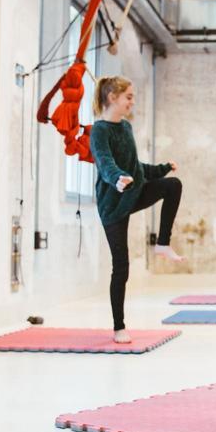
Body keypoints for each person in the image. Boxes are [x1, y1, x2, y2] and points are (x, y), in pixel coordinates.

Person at [90, 75, 184, 344]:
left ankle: (163, 244)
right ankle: (119, 326)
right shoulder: (99, 130)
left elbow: (136, 167)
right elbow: (105, 162)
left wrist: (162, 169)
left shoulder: (126, 128)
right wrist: (117, 178)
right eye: (128, 96)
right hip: (113, 203)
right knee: (121, 267)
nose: (132, 101)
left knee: (172, 185)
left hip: (133, 190)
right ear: (113, 98)